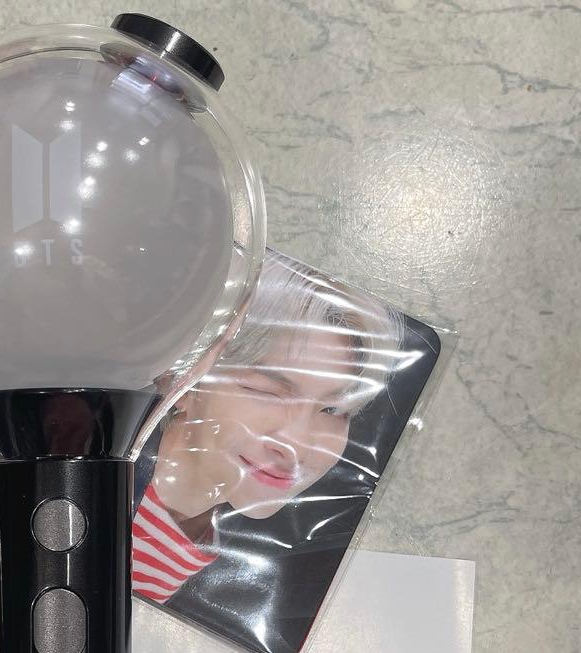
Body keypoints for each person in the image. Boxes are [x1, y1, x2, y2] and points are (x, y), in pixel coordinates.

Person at [133, 251, 405, 604]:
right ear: (183, 375)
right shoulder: (96, 502)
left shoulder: (208, 535)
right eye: (266, 391)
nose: (297, 444)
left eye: (333, 410)